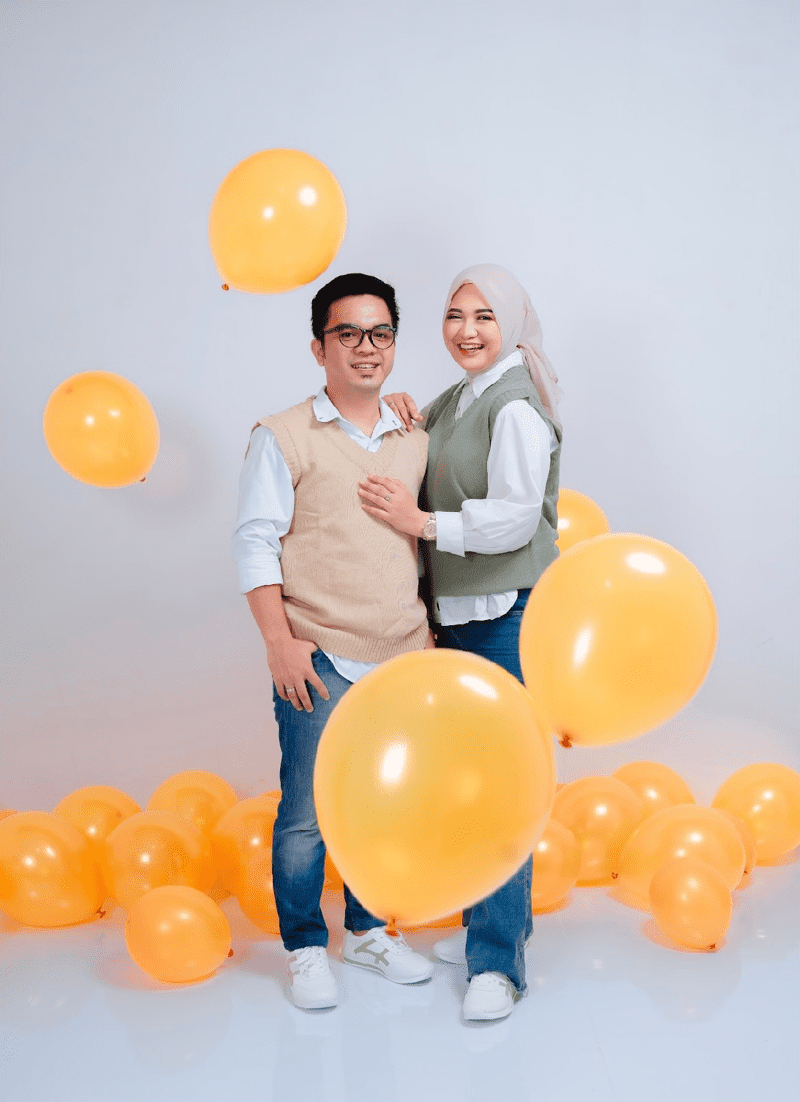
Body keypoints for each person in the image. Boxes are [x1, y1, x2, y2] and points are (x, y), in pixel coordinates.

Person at [358, 263, 562, 1022]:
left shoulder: (515, 406)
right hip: (458, 615)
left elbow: (513, 517)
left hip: (504, 616)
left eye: (483, 316)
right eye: (454, 315)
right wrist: (405, 414)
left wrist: (421, 525)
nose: (466, 330)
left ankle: (497, 963)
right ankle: (489, 922)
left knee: (503, 787)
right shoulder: (460, 397)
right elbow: (428, 452)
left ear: (512, 323)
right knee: (467, 781)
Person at [233, 272, 435, 1010]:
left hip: (402, 656)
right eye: (348, 333)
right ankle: (304, 947)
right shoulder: (283, 435)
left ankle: (370, 932)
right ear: (320, 347)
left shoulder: (414, 434)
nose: (366, 347)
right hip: (319, 655)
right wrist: (278, 642)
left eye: (380, 333)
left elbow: (422, 537)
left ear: (394, 344)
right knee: (305, 814)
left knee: (382, 806)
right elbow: (254, 542)